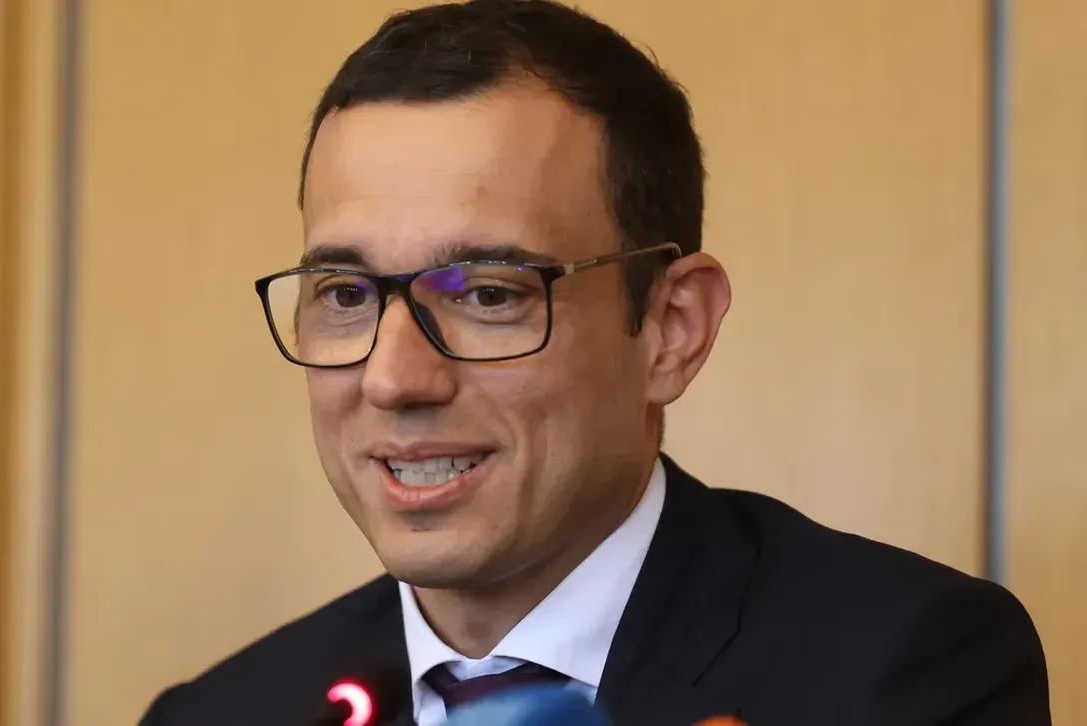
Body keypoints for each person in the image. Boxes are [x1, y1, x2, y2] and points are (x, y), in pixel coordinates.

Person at [139, 1, 1050, 724]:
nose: (394, 378)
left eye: (487, 293)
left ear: (672, 328)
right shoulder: (218, 714)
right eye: (345, 294)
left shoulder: (903, 672)